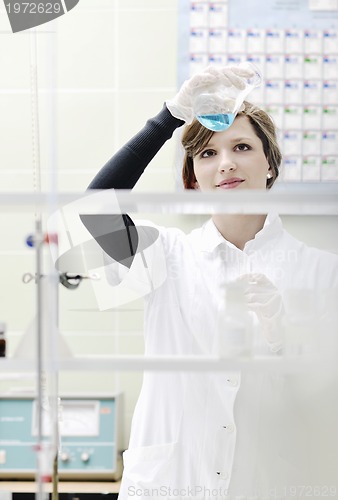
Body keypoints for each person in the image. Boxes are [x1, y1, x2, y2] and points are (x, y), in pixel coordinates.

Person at [81, 66, 338, 499]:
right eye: (206, 154)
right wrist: (169, 117)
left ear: (271, 166)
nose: (226, 163)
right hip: (172, 483)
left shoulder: (322, 272)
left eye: (242, 147)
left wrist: (286, 340)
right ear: (192, 180)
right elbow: (96, 209)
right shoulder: (165, 256)